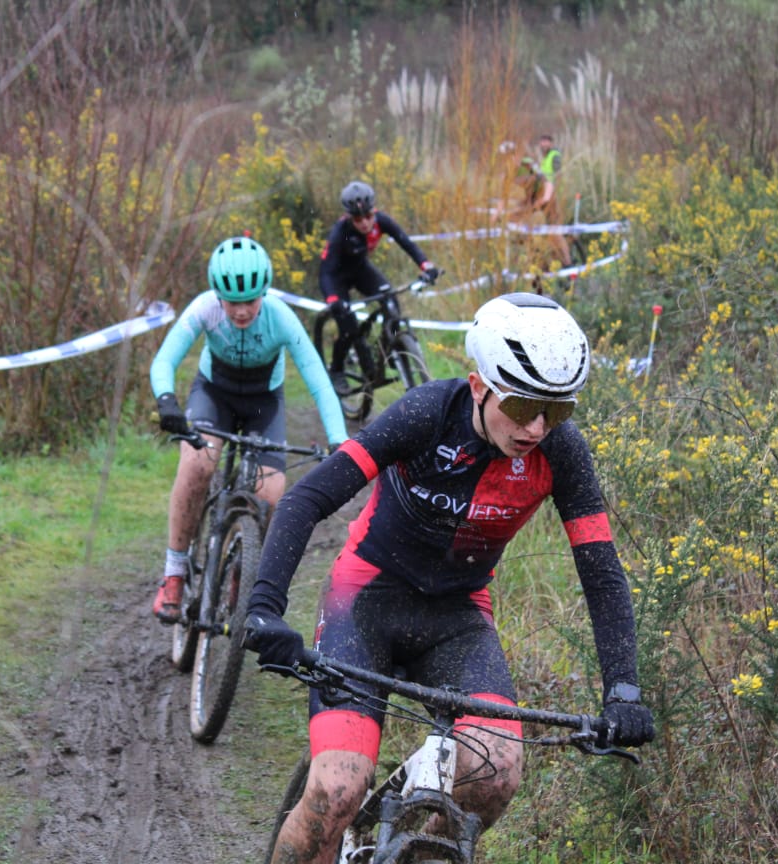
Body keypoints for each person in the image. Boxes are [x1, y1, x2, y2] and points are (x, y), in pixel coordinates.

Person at [242, 292, 655, 862]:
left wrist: (623, 690)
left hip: (457, 616)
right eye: (523, 406)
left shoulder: (562, 453)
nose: (538, 426)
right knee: (337, 790)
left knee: (497, 773)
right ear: (479, 385)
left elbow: (602, 575)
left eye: (557, 410)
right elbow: (307, 498)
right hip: (366, 599)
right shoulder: (427, 414)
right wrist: (264, 608)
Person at [149, 235, 349, 623]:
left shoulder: (280, 317)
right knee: (197, 465)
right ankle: (174, 574)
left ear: (264, 293)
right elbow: (164, 360)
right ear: (217, 296)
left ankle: (244, 575)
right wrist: (166, 400)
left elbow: (318, 379)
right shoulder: (204, 309)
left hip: (263, 403)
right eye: (232, 302)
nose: (241, 311)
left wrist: (339, 439)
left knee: (270, 494)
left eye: (251, 301)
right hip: (214, 395)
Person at [319, 180, 440, 394]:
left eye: (368, 216)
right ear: (349, 217)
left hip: (361, 270)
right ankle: (337, 370)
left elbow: (406, 243)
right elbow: (326, 271)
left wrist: (426, 266)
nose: (365, 223)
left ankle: (395, 346)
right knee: (348, 327)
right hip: (337, 277)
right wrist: (333, 300)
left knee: (390, 299)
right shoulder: (340, 232)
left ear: (373, 211)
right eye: (358, 219)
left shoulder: (381, 220)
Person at [504, 134, 572, 268]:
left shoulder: (550, 157)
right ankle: (530, 256)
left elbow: (551, 178)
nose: (543, 145)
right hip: (537, 197)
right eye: (542, 142)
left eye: (546, 142)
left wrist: (546, 197)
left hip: (550, 196)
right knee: (517, 220)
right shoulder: (537, 161)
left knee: (554, 231)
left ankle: (568, 264)